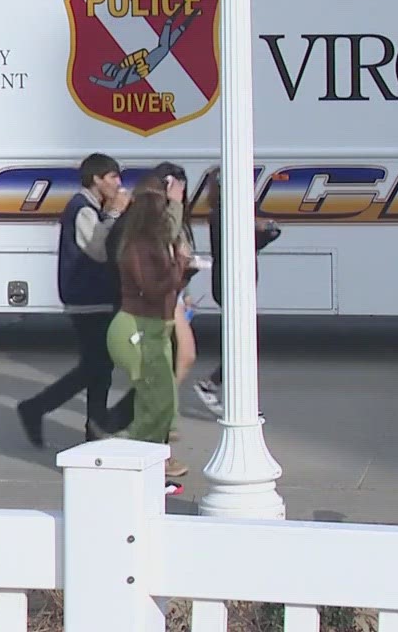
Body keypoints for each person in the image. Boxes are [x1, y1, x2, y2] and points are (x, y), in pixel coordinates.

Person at [16, 153, 130, 448]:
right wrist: (115, 213)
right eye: (113, 177)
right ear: (96, 179)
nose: (118, 184)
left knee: (99, 367)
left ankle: (94, 428)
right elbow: (99, 250)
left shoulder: (92, 208)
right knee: (96, 366)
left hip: (98, 298)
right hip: (87, 299)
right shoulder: (82, 210)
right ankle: (39, 408)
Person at [104, 188, 194, 485]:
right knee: (155, 401)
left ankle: (151, 459)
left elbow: (166, 287)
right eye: (164, 209)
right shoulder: (139, 246)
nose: (169, 215)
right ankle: (132, 458)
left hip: (154, 327)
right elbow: (152, 288)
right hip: (137, 329)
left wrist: (182, 272)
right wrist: (180, 265)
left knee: (160, 402)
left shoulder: (153, 243)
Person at [191, 167, 280, 416]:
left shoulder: (239, 211)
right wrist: (256, 225)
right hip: (230, 284)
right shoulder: (221, 214)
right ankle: (218, 391)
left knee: (243, 341)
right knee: (242, 343)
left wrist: (265, 228)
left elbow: (265, 235)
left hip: (241, 282)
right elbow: (238, 238)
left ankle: (225, 393)